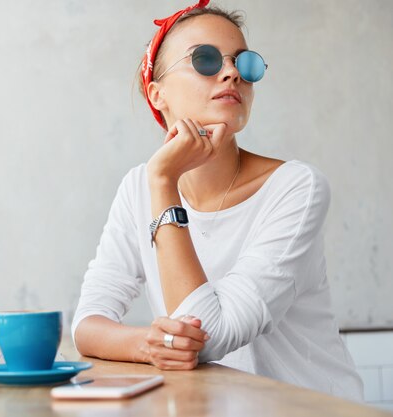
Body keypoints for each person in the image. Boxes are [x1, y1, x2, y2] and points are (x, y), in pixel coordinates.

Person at [71, 0, 363, 401]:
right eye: (205, 60)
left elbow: (209, 337)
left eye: (245, 64)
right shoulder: (137, 188)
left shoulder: (297, 188)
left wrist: (163, 180)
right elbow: (87, 323)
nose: (231, 73)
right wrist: (148, 344)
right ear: (157, 95)